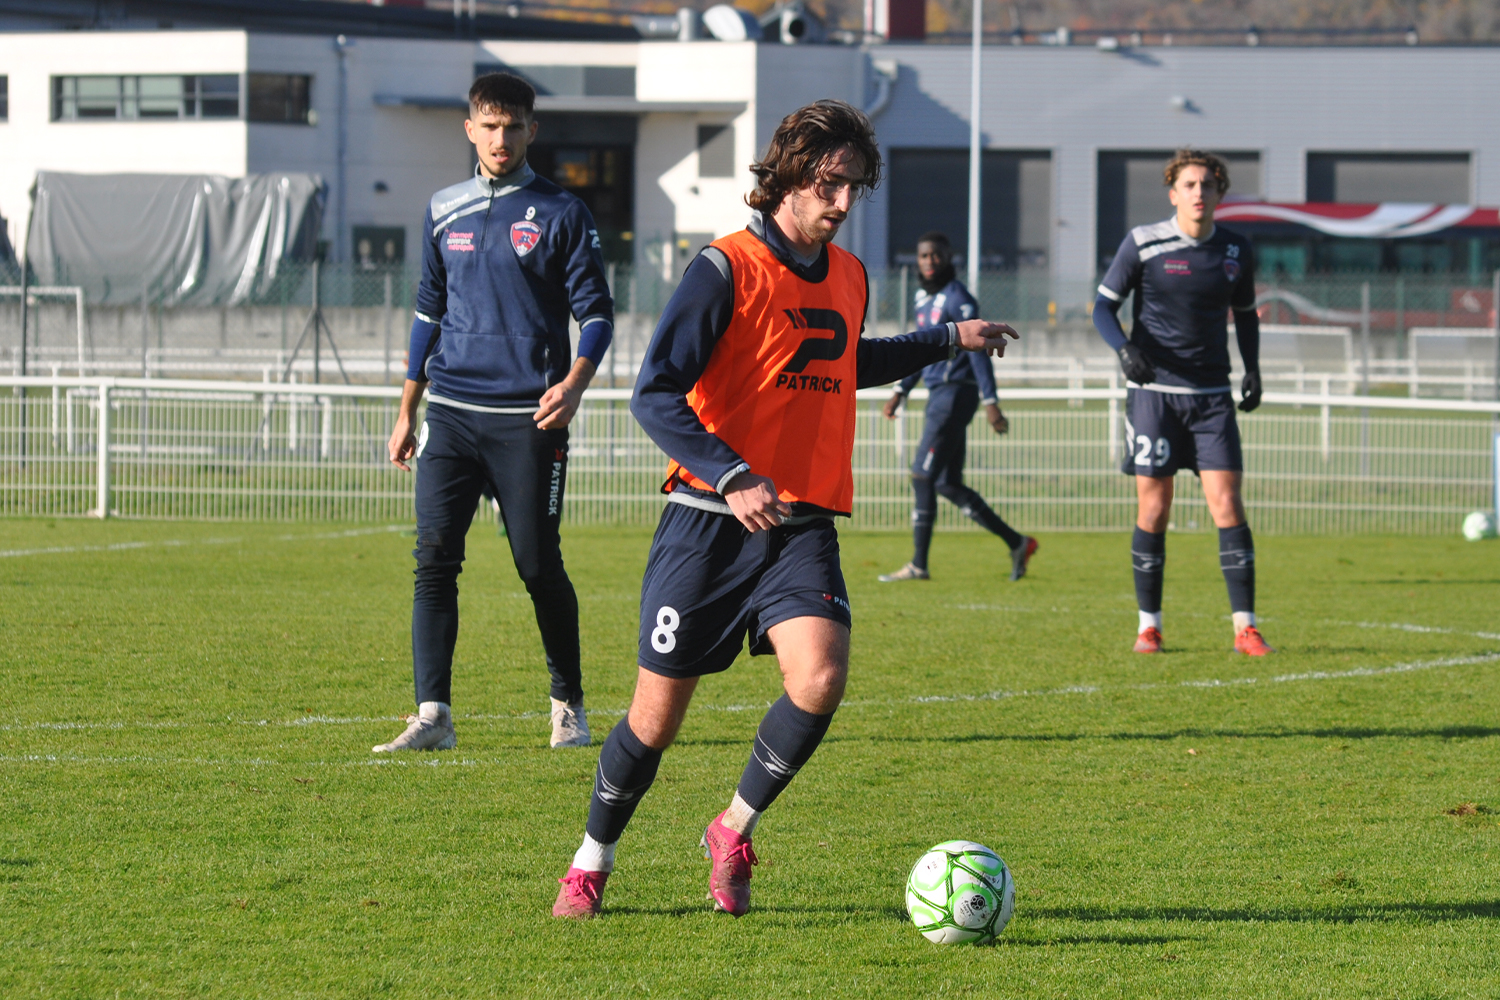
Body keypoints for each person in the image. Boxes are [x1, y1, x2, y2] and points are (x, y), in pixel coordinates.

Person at [551, 100, 1018, 919]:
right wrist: (731, 473)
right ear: (789, 174)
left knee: (822, 676)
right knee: (653, 723)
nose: (842, 205)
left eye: (853, 190)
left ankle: (732, 827)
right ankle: (591, 863)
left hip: (799, 527)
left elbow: (840, 359)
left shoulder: (851, 275)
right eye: (830, 185)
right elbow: (653, 393)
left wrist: (950, 338)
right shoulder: (723, 268)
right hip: (707, 523)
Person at [376, 72, 614, 753]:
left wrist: (573, 384)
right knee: (433, 560)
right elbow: (427, 311)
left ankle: (567, 703)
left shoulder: (563, 213)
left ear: (531, 131)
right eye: (489, 125)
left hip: (528, 420)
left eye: (513, 127)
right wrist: (406, 410)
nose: (501, 138)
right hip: (450, 412)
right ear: (470, 128)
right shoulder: (442, 208)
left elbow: (596, 314)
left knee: (537, 565)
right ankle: (432, 714)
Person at [1092, 148, 1271, 657]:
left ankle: (1246, 627)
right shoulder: (1144, 243)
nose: (1198, 192)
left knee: (1228, 504)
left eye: (1207, 185)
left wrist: (1253, 369)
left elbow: (1247, 314)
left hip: (1212, 398)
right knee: (1155, 507)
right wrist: (1126, 351)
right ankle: (1149, 626)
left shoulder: (1236, 249)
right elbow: (1104, 307)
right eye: (1189, 184)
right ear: (1173, 193)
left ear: (1219, 194)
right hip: (1155, 397)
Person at [878, 231, 1037, 583]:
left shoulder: (959, 297)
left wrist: (991, 401)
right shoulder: (922, 299)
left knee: (922, 475)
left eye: (936, 255)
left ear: (949, 258)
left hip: (953, 394)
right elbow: (920, 352)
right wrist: (901, 391)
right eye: (923, 256)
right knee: (947, 483)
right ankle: (1017, 542)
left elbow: (980, 347)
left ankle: (919, 565)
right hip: (938, 395)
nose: (929, 261)